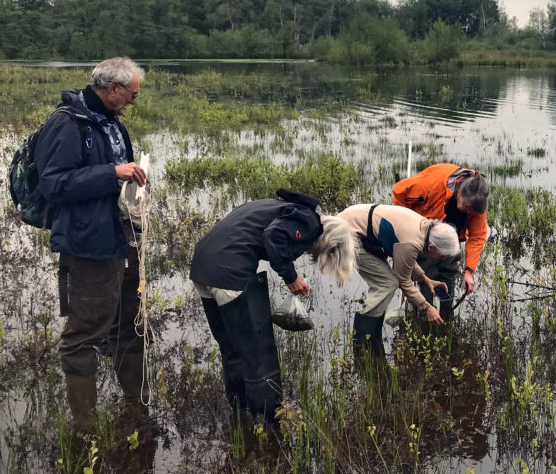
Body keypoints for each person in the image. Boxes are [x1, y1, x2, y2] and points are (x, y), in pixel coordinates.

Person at [35, 56, 149, 430]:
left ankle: (137, 408)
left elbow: (112, 178)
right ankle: (85, 428)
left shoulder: (110, 123)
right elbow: (54, 184)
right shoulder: (66, 124)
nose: (133, 101)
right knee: (83, 336)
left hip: (121, 241)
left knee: (130, 324)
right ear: (112, 88)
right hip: (87, 247)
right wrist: (111, 173)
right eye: (130, 94)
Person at [190, 190, 356, 422]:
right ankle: (267, 415)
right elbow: (273, 236)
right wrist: (290, 277)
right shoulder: (309, 221)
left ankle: (239, 410)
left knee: (230, 348)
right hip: (229, 273)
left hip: (202, 268)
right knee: (252, 351)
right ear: (329, 243)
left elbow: (260, 234)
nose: (312, 253)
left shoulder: (281, 207)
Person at [338, 203, 460, 354]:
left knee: (384, 284)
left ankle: (372, 338)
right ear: (432, 246)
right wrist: (427, 307)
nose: (441, 259)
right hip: (348, 232)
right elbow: (403, 280)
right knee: (388, 283)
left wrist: (425, 279)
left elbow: (406, 262)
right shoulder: (412, 242)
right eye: (441, 255)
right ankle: (360, 342)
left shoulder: (426, 229)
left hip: (355, 222)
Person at [392, 164, 490, 317]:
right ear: (460, 192)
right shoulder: (431, 184)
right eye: (467, 206)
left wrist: (469, 271)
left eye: (472, 209)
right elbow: (399, 191)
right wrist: (406, 228)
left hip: (452, 238)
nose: (469, 211)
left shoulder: (477, 202)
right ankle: (426, 314)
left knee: (449, 271)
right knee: (427, 272)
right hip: (427, 235)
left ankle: (446, 313)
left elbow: (477, 236)